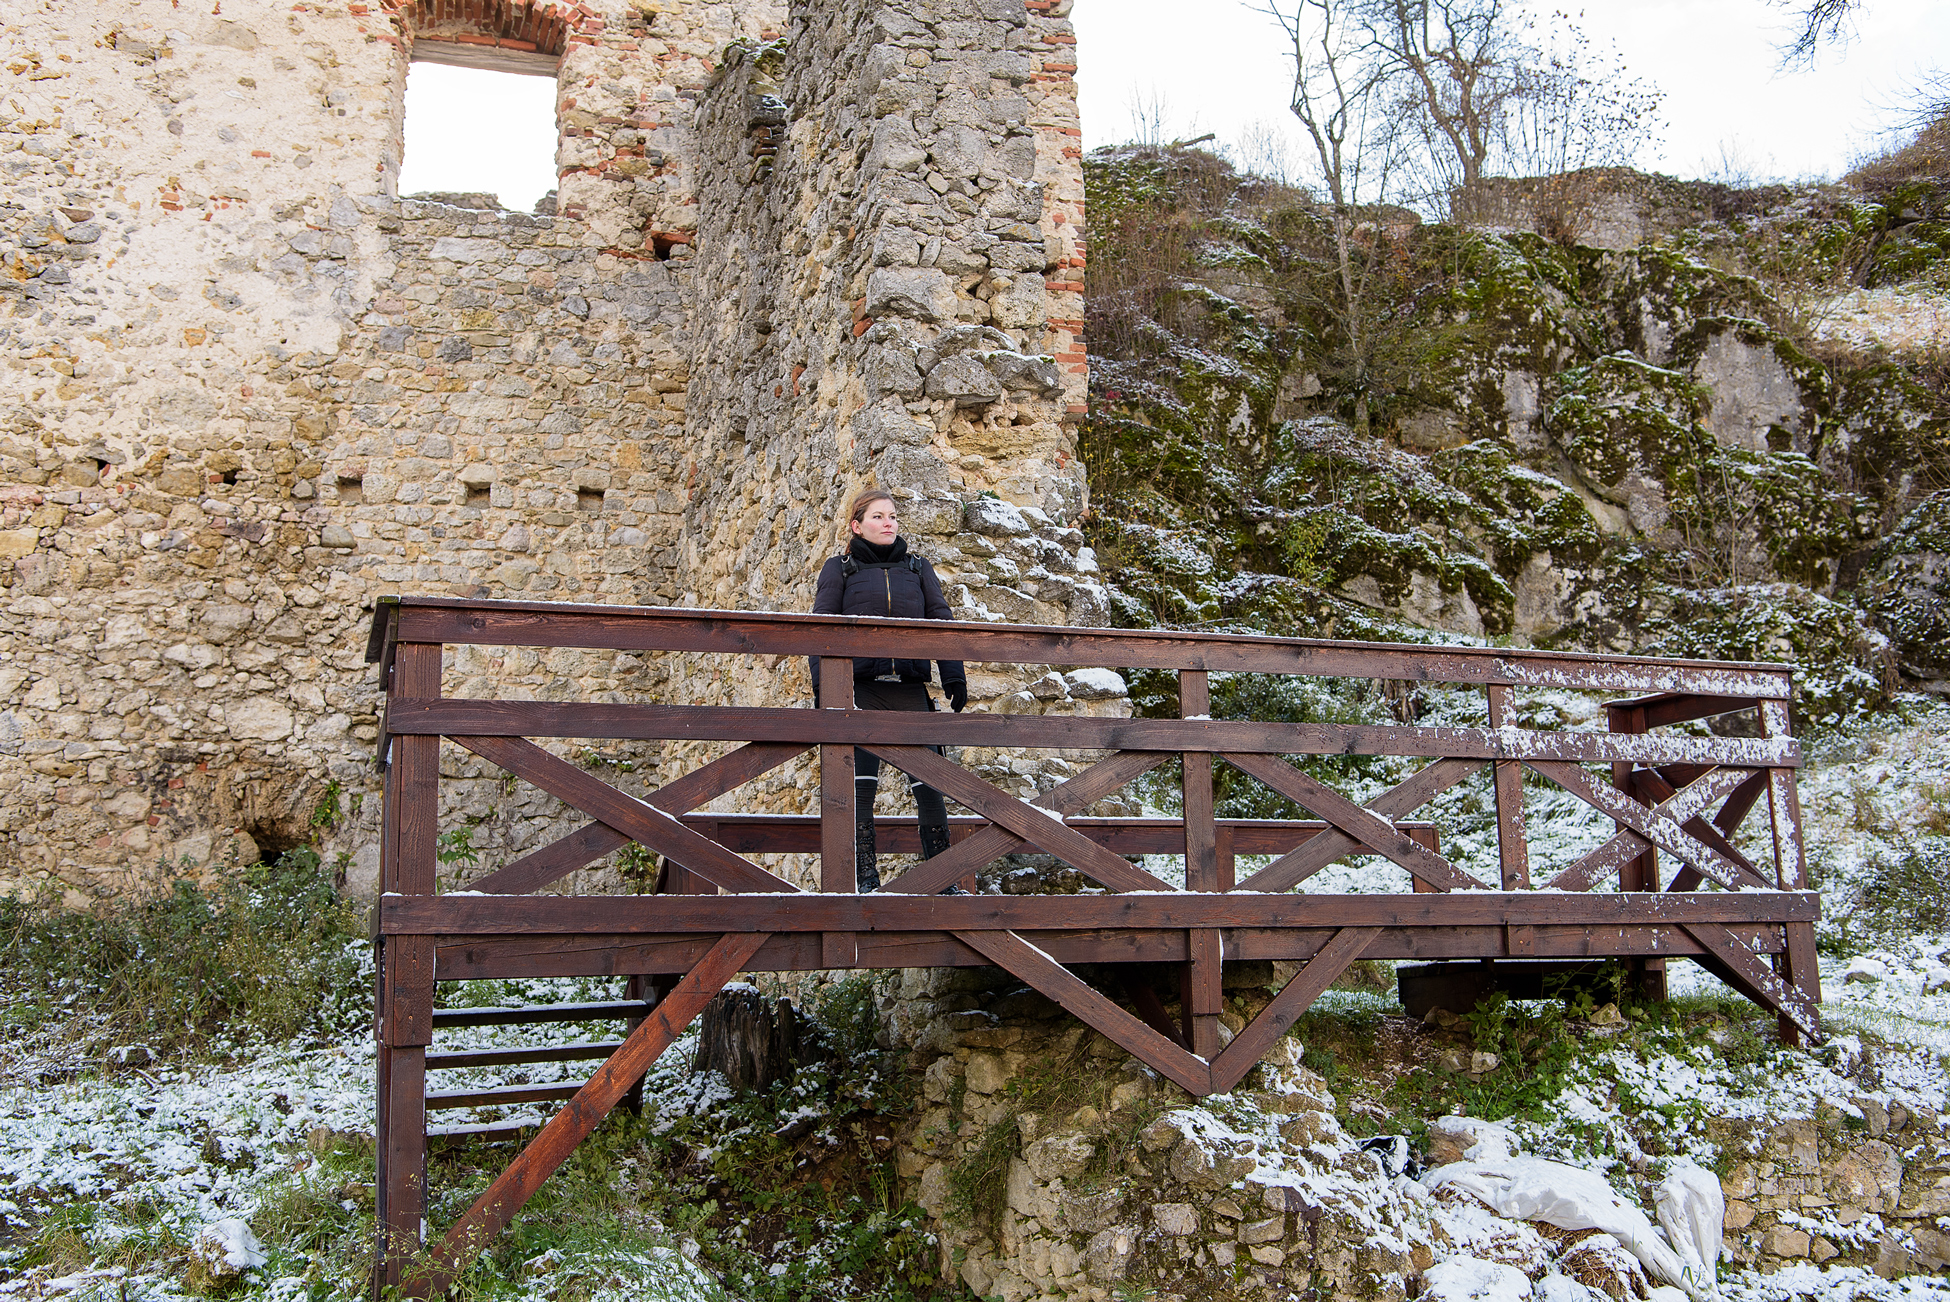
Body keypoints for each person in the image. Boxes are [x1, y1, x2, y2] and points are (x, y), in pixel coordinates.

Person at [811, 488, 968, 893]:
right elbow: (820, 630)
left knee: (930, 788)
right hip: (859, 692)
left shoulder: (918, 568)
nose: (888, 523)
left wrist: (954, 675)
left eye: (893, 516)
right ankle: (865, 879)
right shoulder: (840, 569)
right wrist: (823, 689)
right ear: (857, 525)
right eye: (878, 516)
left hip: (911, 692)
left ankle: (942, 880)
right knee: (861, 789)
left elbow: (941, 620)